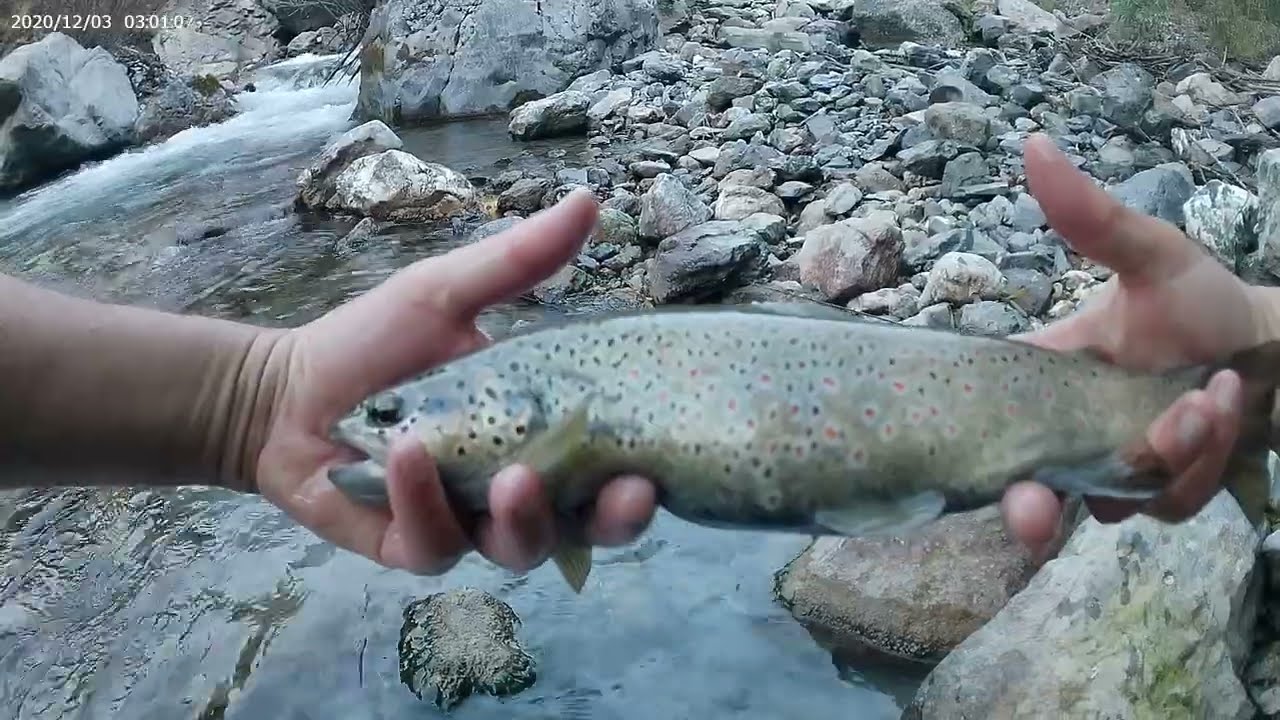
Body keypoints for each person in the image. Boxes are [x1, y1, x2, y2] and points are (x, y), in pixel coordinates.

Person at [0, 133, 1269, 576]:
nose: (381, 440)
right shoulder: (526, 439)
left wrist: (1249, 344)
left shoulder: (530, 432)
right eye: (395, 423)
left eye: (400, 419)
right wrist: (256, 403)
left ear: (513, 412)